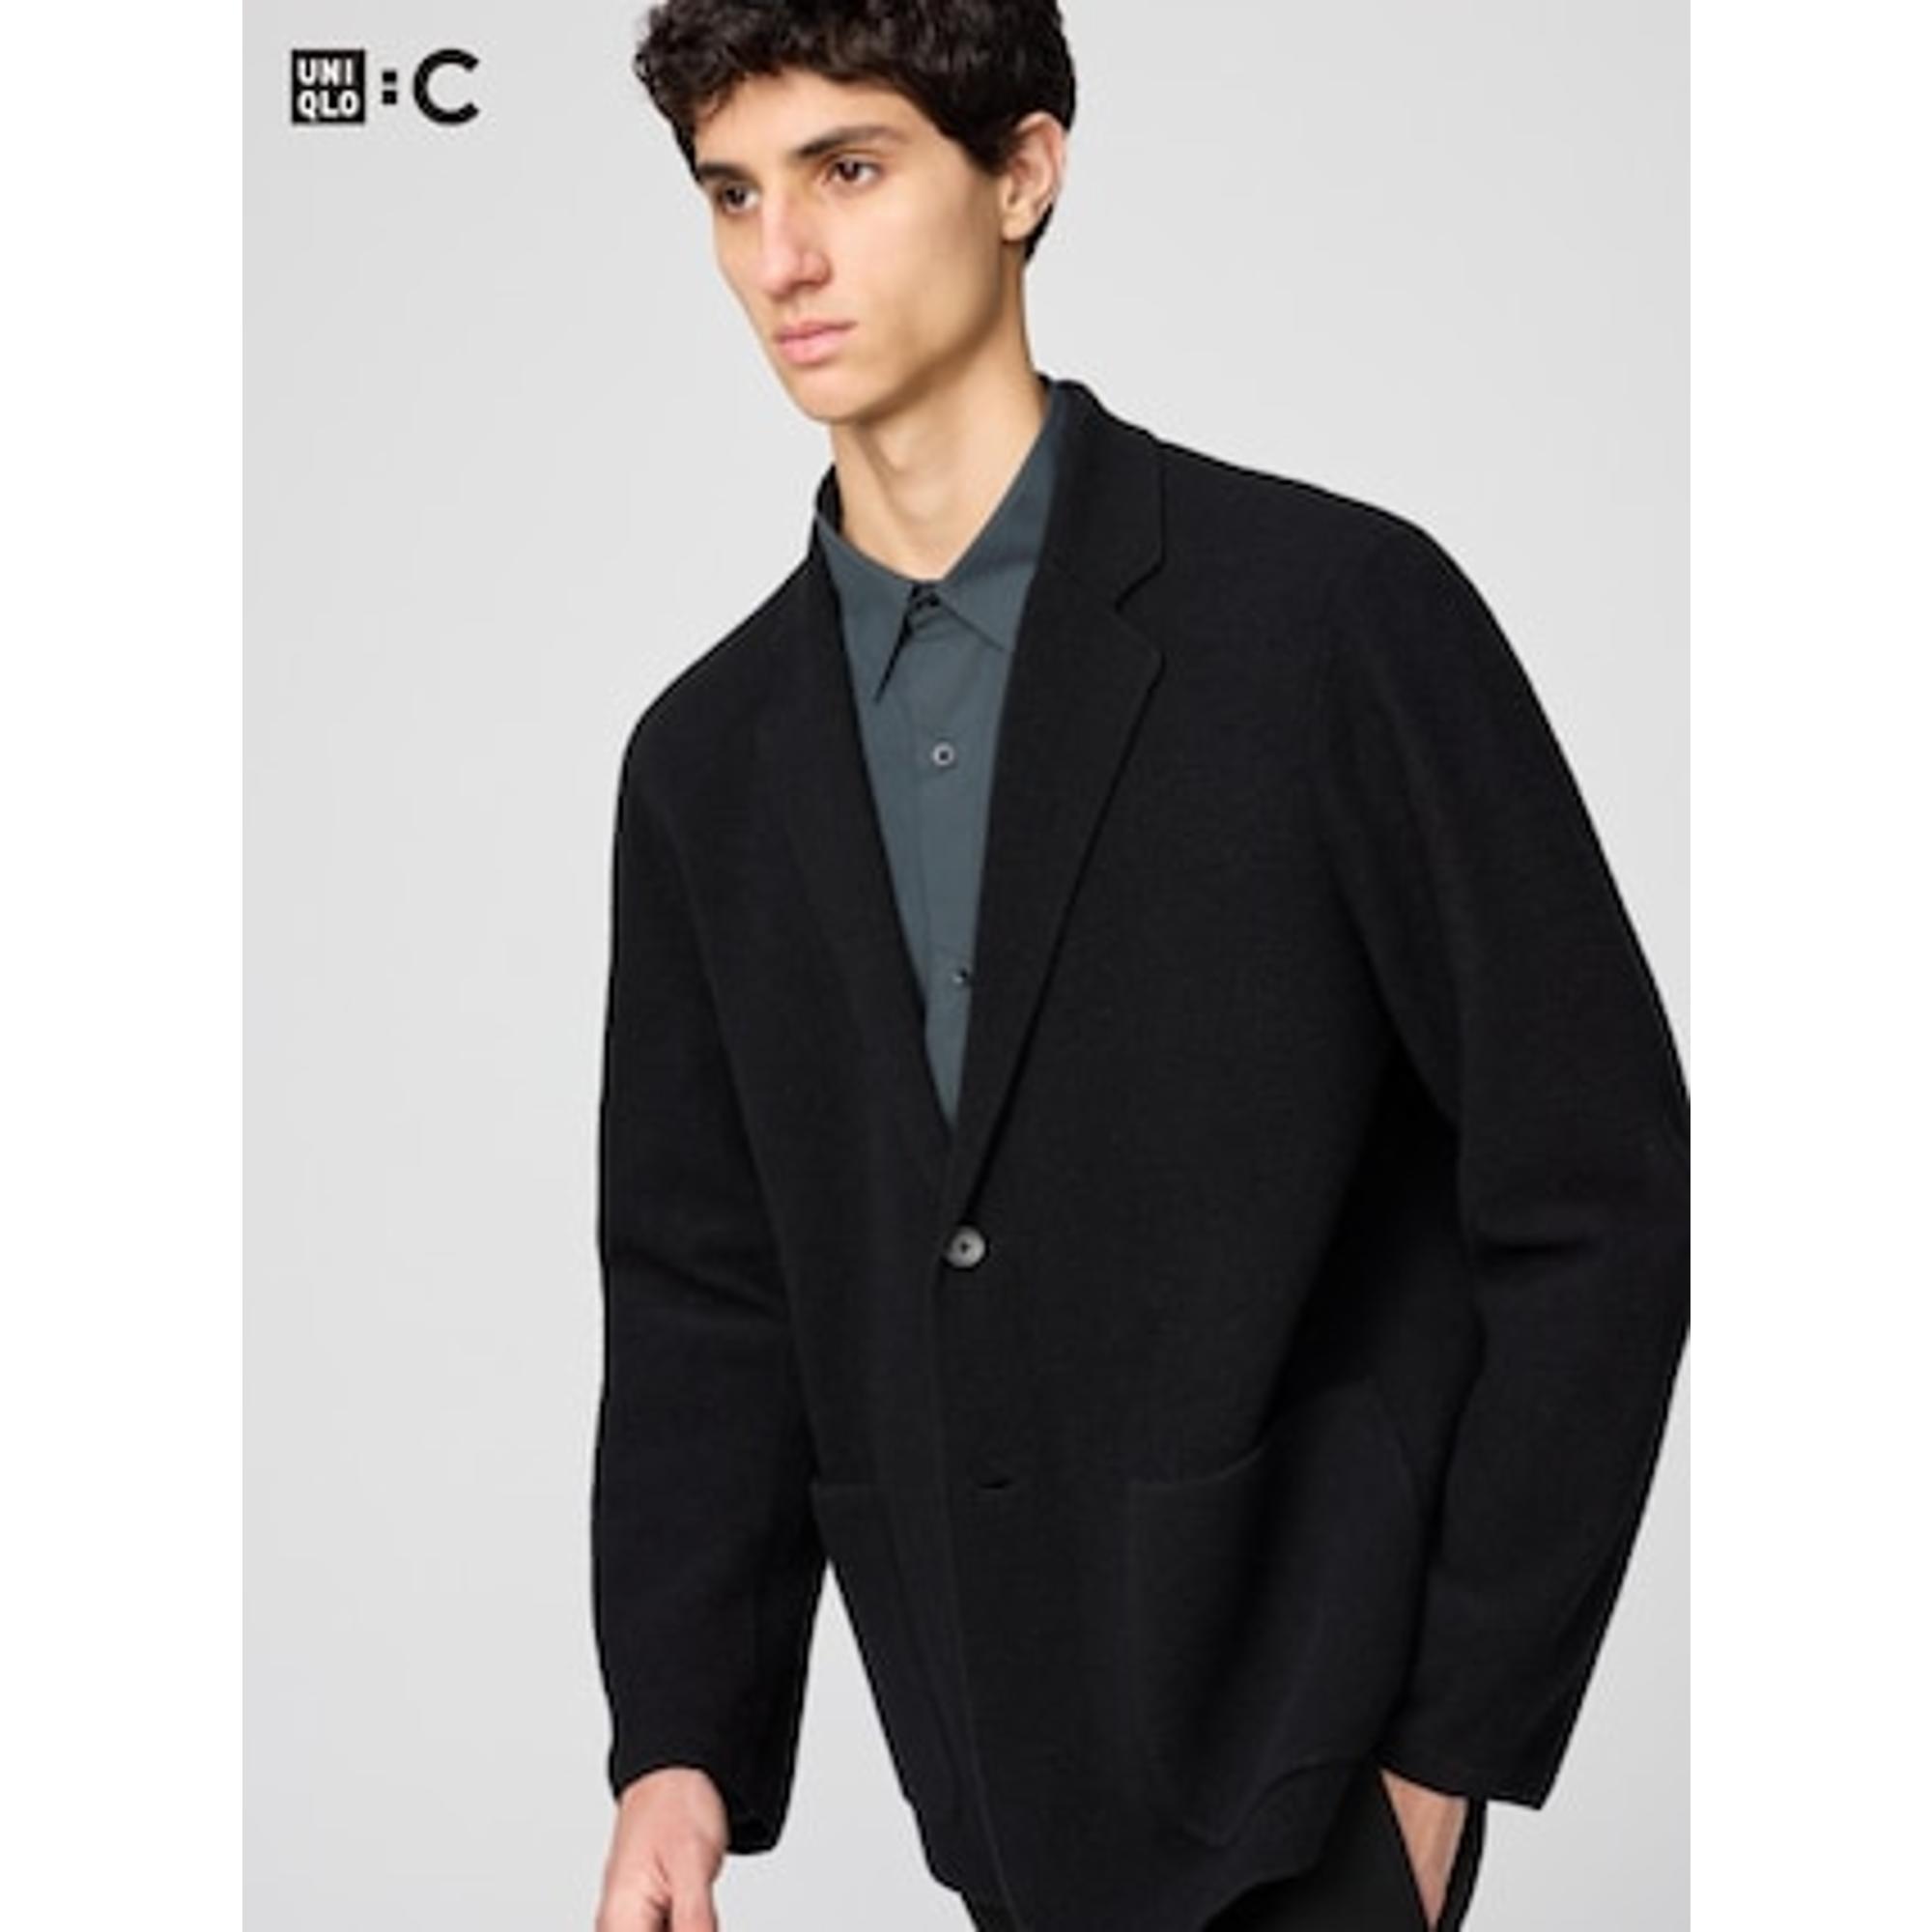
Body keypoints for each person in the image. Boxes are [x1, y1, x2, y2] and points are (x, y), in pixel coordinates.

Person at [590, 5, 1690, 1929]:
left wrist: (1450, 1741)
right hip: (992, 1785)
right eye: (733, 194)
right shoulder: (707, 764)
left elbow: (1593, 1183)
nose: (784, 258)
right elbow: (707, 1294)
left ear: (1022, 174)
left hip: (1322, 1761)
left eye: (849, 170)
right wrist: (678, 1753)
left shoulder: (1332, 621)